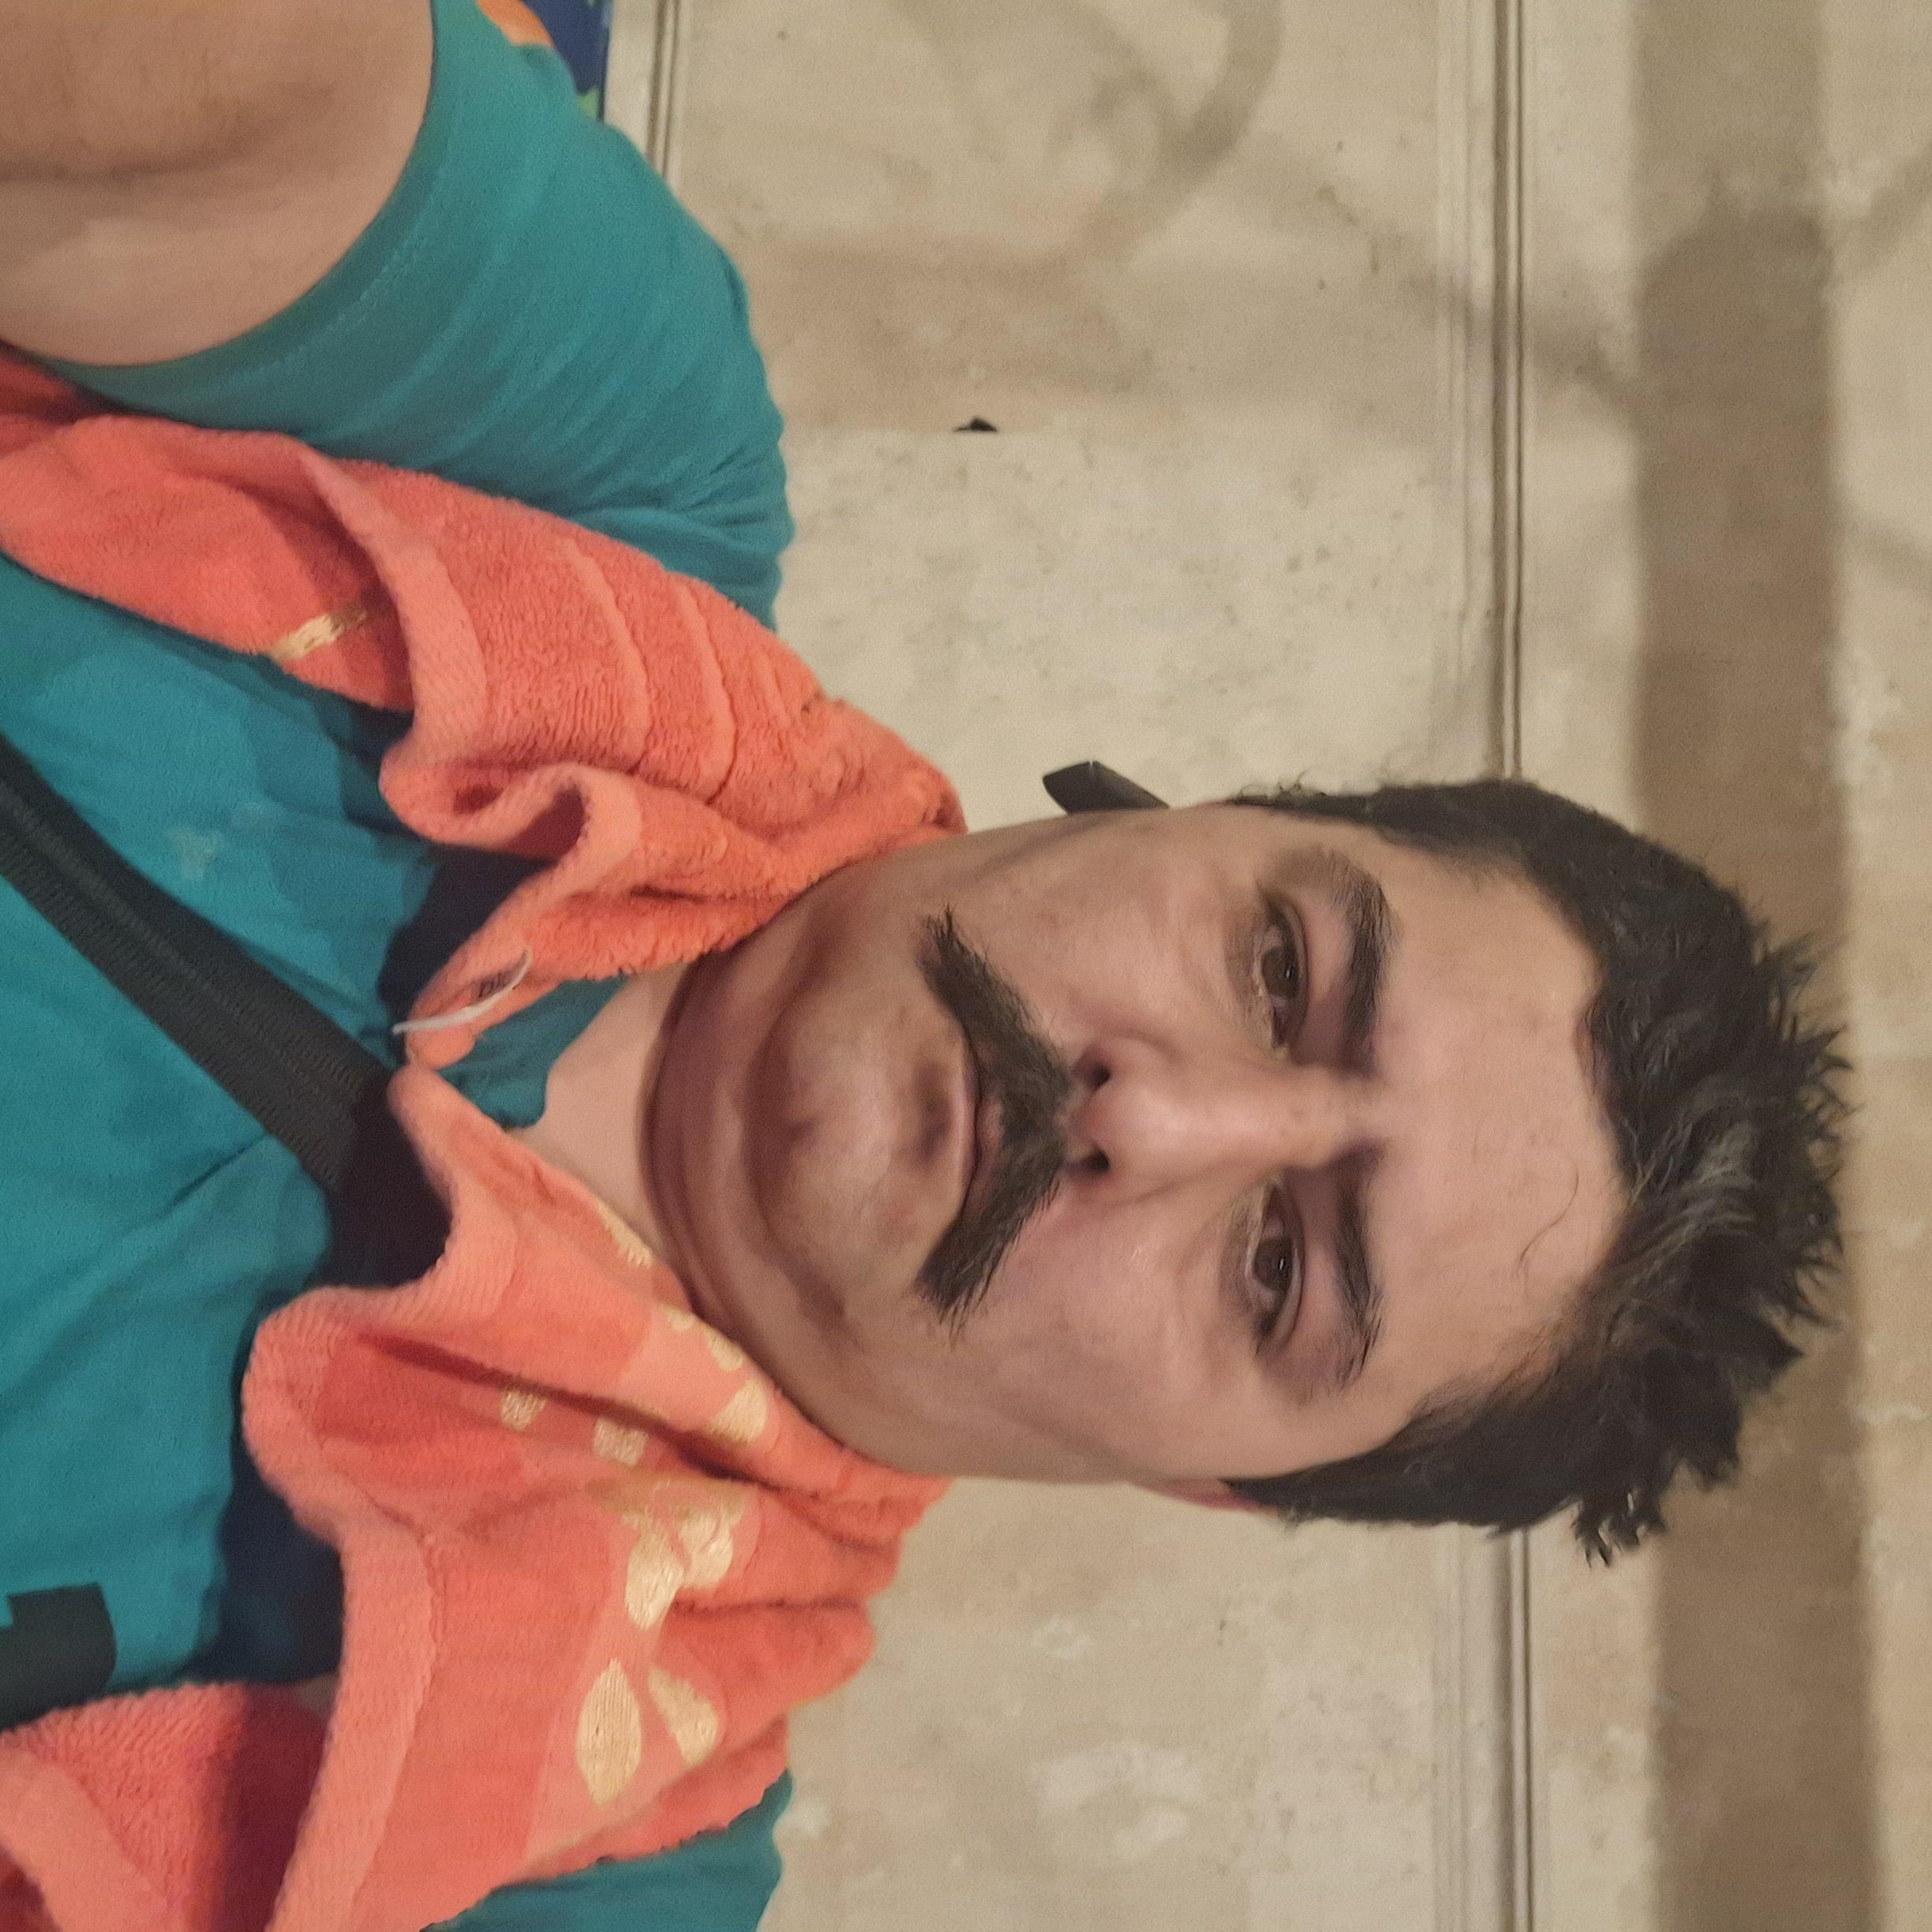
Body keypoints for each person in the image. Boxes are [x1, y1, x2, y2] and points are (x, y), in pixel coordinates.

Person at [0, 2, 1846, 1927]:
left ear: (1211, 1485)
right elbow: (239, 104)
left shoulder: (572, 1863)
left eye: (1281, 1268)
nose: (1160, 1116)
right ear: (1189, 811)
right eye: (1278, 972)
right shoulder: (604, 477)